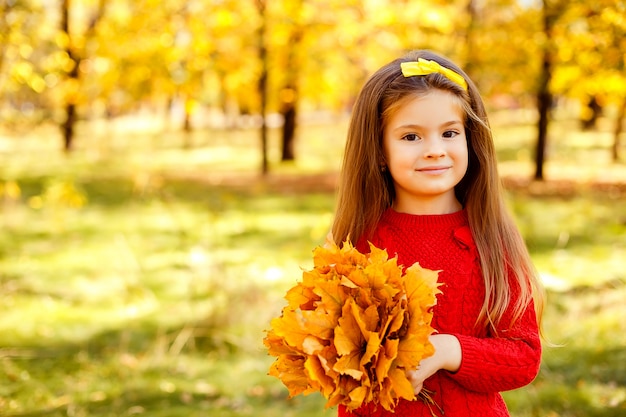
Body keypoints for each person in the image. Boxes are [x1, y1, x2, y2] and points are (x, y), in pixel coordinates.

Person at [331, 50, 543, 417]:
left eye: (449, 133)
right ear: (379, 151)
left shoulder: (491, 241)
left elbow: (523, 357)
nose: (434, 150)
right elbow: (322, 346)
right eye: (411, 137)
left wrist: (448, 351)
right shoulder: (357, 243)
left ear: (469, 140)